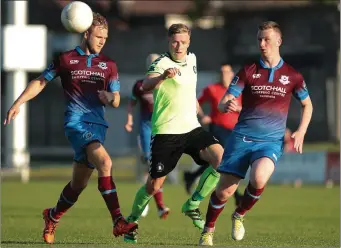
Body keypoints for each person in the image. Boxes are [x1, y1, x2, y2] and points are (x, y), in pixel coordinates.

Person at [3, 13, 137, 244]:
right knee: (105, 162)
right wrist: (18, 103)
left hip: (98, 126)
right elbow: (41, 81)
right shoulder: (66, 59)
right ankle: (118, 221)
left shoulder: (109, 65)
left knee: (78, 185)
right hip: (76, 124)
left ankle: (52, 215)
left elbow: (116, 99)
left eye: (105, 37)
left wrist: (110, 97)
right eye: (98, 36)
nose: (102, 41)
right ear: (86, 33)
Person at [199, 21, 313, 246]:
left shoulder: (292, 76)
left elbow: (307, 105)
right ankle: (208, 230)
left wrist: (301, 131)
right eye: (259, 39)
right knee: (224, 192)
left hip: (270, 141)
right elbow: (224, 102)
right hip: (241, 138)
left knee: (259, 177)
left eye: (266, 39)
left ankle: (239, 215)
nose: (262, 43)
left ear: (278, 41)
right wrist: (227, 105)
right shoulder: (248, 71)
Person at [123, 23, 224, 243]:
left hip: (192, 128)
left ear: (189, 42)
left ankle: (192, 204)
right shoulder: (161, 63)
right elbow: (146, 85)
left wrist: (199, 112)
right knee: (154, 185)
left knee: (221, 158)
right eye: (175, 42)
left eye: (183, 42)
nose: (179, 46)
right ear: (168, 41)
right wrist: (162, 77)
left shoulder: (193, 60)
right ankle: (131, 221)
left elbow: (189, 93)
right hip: (166, 132)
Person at [183, 63, 243, 206]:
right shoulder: (212, 89)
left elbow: (247, 108)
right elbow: (196, 101)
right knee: (223, 160)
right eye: (221, 72)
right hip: (217, 128)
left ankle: (191, 176)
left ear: (232, 74)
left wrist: (238, 108)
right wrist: (203, 116)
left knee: (221, 162)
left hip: (234, 130)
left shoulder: (238, 90)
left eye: (226, 72)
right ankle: (236, 196)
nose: (224, 75)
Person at [125, 53, 170, 219]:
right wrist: (129, 120)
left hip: (163, 129)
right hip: (146, 129)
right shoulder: (139, 85)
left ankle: (154, 204)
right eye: (153, 63)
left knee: (159, 168)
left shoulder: (167, 82)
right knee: (151, 165)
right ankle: (158, 205)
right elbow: (131, 103)